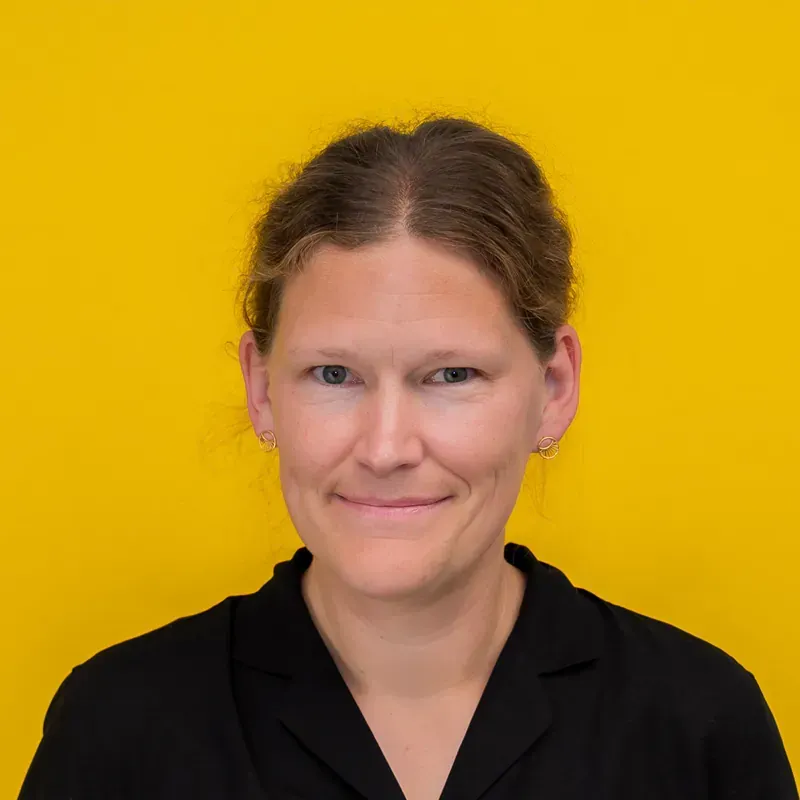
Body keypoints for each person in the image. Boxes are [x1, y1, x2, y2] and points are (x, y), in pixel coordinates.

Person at [18, 116, 797, 800]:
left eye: (451, 375)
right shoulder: (118, 729)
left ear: (553, 387)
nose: (387, 447)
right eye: (334, 375)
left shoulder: (698, 724)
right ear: (261, 390)